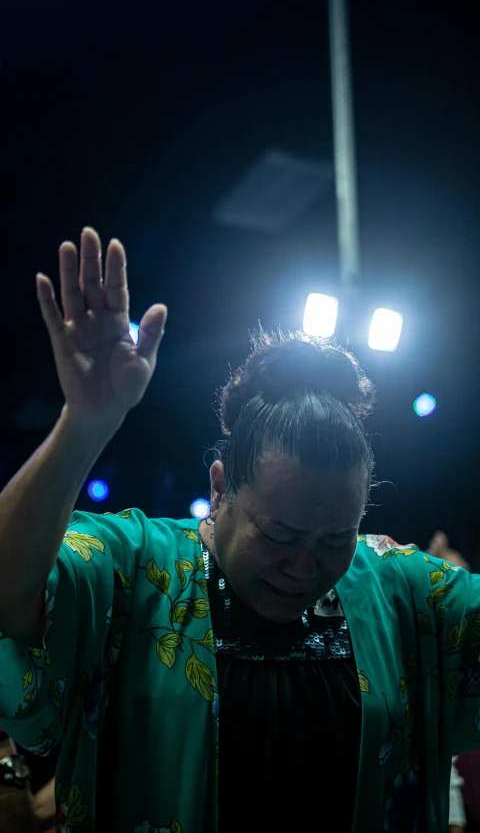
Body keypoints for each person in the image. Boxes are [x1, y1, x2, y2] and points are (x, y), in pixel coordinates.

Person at [1, 228, 480, 832]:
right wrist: (84, 425)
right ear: (220, 488)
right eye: (280, 536)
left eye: (335, 540)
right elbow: (8, 592)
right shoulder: (133, 567)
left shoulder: (398, 591)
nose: (305, 567)